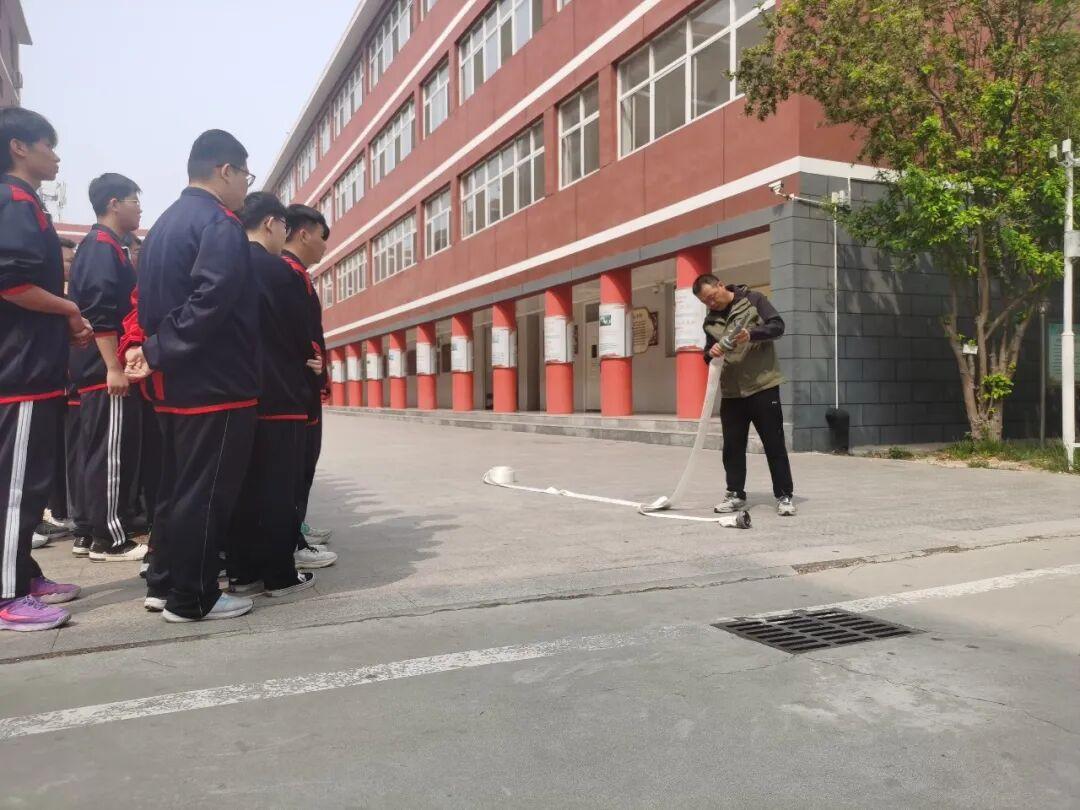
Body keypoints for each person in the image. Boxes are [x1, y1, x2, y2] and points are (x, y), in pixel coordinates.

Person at [123, 129, 260, 622]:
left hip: (177, 385)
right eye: (245, 175)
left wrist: (153, 352)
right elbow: (210, 302)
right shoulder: (219, 224)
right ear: (225, 171)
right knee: (206, 494)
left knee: (177, 491)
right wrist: (157, 350)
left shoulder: (164, 224)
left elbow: (152, 304)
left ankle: (164, 584)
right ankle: (194, 598)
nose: (245, 186)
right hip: (214, 385)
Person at [0, 107, 87, 631]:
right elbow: (10, 282)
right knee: (16, 488)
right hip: (20, 372)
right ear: (19, 147)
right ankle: (6, 595)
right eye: (47, 145)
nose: (55, 156)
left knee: (30, 485)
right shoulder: (13, 201)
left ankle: (24, 574)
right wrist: (69, 309)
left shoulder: (26, 203)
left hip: (33, 368)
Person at [227, 192, 328, 598]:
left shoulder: (227, 262)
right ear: (271, 223)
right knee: (279, 488)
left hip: (239, 393)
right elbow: (300, 332)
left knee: (244, 488)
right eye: (283, 226)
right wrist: (311, 362)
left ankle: (242, 573)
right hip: (281, 394)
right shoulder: (280, 271)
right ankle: (279, 575)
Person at [68, 173, 147, 561]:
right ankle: (110, 538)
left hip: (101, 366)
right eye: (135, 201)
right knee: (110, 453)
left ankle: (89, 531)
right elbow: (100, 312)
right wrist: (113, 367)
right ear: (114, 204)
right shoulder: (102, 246)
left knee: (99, 450)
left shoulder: (107, 246)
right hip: (105, 369)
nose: (140, 209)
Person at [692, 273, 796, 517]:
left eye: (712, 297)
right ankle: (735, 494)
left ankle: (784, 495)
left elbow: (778, 326)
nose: (711, 303)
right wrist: (711, 352)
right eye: (705, 302)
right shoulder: (710, 321)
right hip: (732, 392)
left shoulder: (754, 300)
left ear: (720, 285)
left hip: (763, 386)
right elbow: (707, 354)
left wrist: (752, 334)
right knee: (732, 447)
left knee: (773, 443)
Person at [282, 204, 337, 568]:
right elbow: (295, 331)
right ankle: (291, 541)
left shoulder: (298, 273)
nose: (324, 245)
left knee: (303, 465)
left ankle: (296, 528)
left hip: (303, 384)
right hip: (295, 387)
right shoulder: (287, 273)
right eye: (321, 237)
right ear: (303, 234)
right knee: (296, 466)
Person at [32, 236, 80, 550]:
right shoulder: (44, 298)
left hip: (55, 384)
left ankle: (41, 516)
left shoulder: (60, 296)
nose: (70, 266)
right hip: (30, 383)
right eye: (66, 260)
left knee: (45, 457)